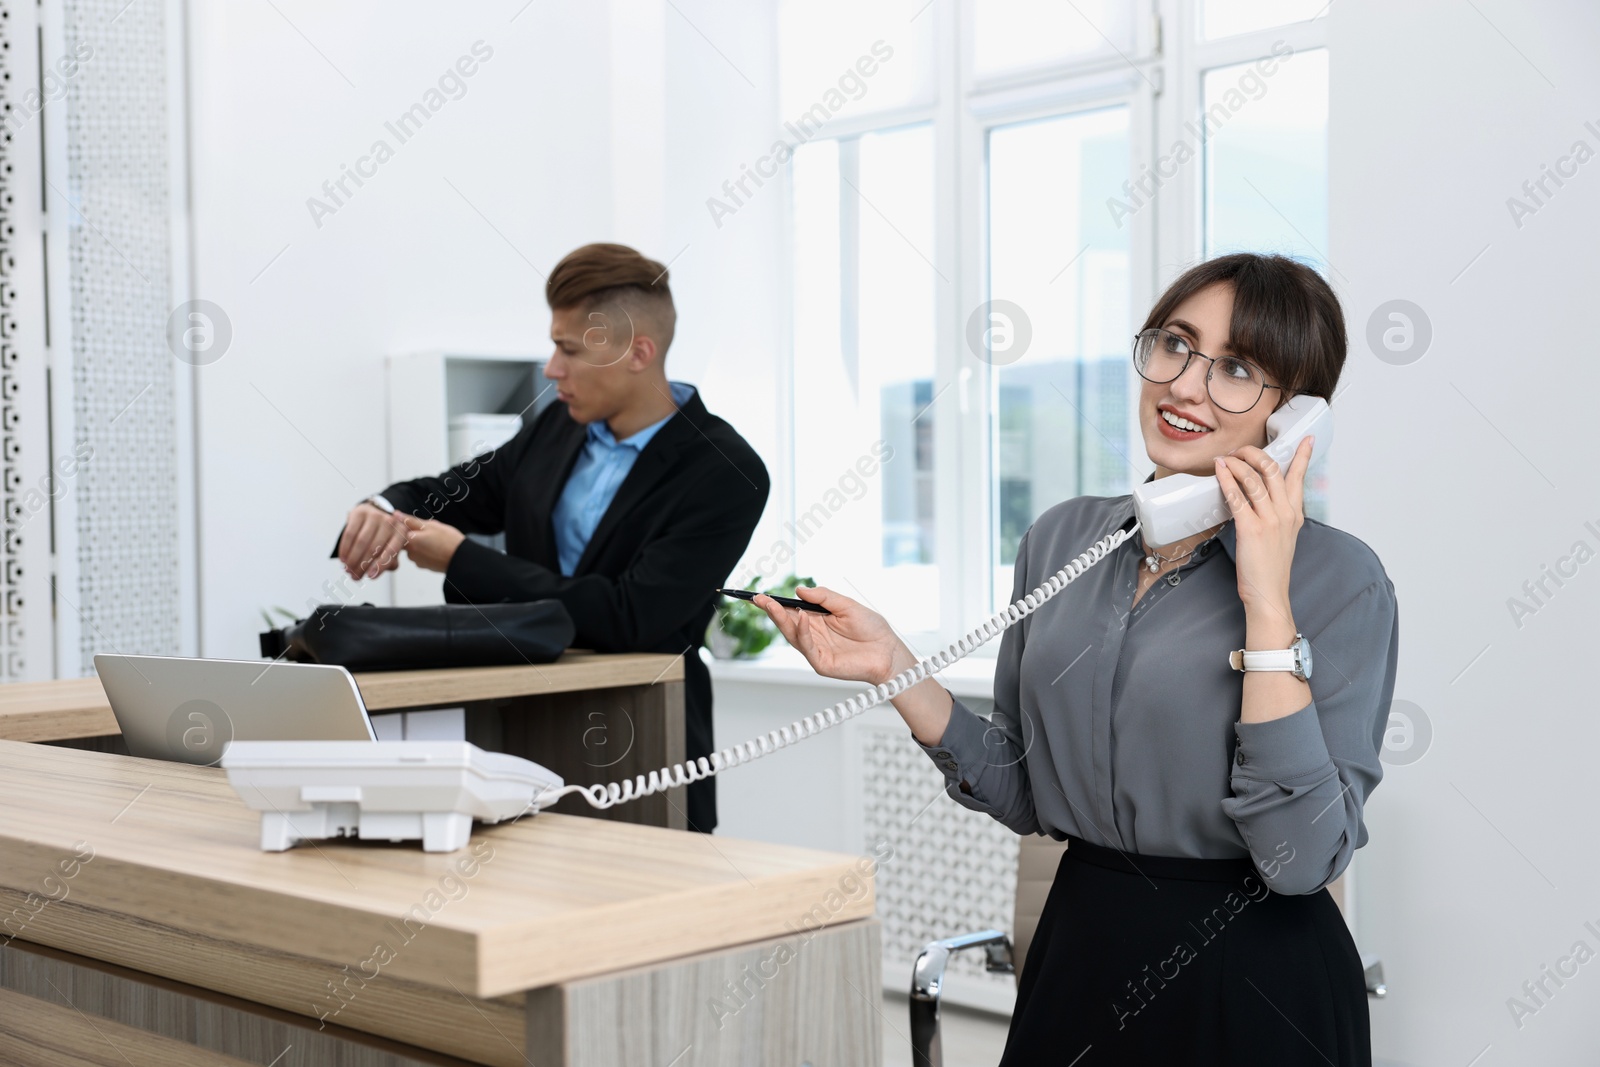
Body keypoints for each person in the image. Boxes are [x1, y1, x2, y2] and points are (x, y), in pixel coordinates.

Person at [756, 253, 1398, 1065]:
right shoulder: (1063, 538)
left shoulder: (1339, 579)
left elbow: (1298, 856)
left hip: (1255, 979)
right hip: (1082, 949)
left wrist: (1266, 600)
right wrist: (895, 666)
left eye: (1236, 367)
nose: (1186, 385)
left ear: (1296, 416)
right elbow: (1026, 784)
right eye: (1174, 344)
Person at [334, 242, 770, 834]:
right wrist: (385, 509)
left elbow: (632, 615)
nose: (551, 369)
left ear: (638, 352)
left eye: (568, 350)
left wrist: (463, 560)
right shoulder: (556, 430)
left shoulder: (725, 471)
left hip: (648, 742)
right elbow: (461, 490)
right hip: (519, 734)